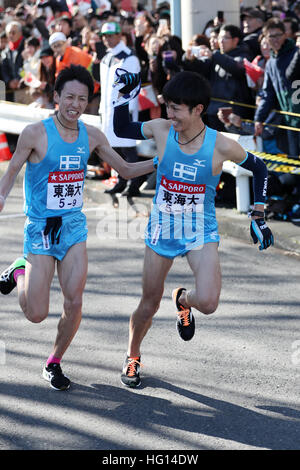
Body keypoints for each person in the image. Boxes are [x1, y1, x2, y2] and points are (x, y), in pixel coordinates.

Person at [112, 70, 274, 388]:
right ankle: (133, 355)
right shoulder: (161, 130)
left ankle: (184, 300)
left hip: (200, 228)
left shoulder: (220, 145)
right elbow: (120, 129)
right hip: (163, 227)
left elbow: (259, 167)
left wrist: (258, 215)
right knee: (149, 302)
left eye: (176, 109)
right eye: (167, 106)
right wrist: (123, 96)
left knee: (210, 302)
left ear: (198, 109)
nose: (169, 115)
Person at [0, 64, 155, 391]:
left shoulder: (93, 135)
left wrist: (161, 162)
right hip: (41, 227)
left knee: (74, 301)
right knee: (36, 313)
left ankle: (54, 361)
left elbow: (125, 169)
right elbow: (12, 169)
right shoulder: (35, 133)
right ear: (56, 97)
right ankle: (19, 272)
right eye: (69, 96)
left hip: (73, 227)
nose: (75, 104)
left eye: (82, 99)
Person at [98, 21, 143, 197]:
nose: (108, 39)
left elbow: (131, 87)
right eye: (105, 36)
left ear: (119, 35)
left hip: (123, 109)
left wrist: (128, 109)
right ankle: (121, 181)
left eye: (111, 35)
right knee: (114, 149)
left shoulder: (129, 56)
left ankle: (134, 184)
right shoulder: (106, 57)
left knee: (128, 149)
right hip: (108, 110)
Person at [254, 18, 300, 157]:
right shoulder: (270, 63)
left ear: (285, 34)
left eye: (278, 35)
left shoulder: (295, 53)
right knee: (294, 163)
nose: (275, 39)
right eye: (271, 36)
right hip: (289, 122)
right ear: (265, 38)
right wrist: (259, 118)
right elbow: (268, 94)